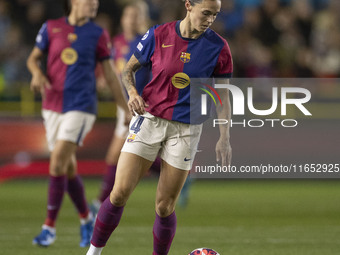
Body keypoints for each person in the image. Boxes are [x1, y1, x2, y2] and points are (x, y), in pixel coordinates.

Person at [86, 0, 233, 254]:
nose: (210, 20)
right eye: (206, 13)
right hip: (149, 119)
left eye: (215, 15)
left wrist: (224, 136)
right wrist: (132, 93)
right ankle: (93, 253)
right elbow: (128, 70)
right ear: (188, 5)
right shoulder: (158, 34)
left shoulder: (218, 48)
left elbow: (223, 96)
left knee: (164, 206)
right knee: (119, 192)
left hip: (186, 129)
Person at [26, 0, 130, 248]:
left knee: (57, 160)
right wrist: (37, 73)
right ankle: (86, 219)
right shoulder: (50, 28)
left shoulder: (97, 33)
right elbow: (33, 59)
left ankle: (49, 227)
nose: (94, 4)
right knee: (67, 168)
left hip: (82, 106)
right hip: (52, 105)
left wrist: (124, 108)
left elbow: (109, 74)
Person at [92, 1, 153, 210]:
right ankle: (180, 172)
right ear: (123, 19)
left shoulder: (146, 42)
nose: (131, 20)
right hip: (123, 103)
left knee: (115, 155)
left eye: (136, 16)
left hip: (141, 104)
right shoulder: (116, 42)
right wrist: (104, 81)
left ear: (142, 18)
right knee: (137, 155)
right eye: (128, 15)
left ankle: (100, 203)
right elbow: (116, 71)